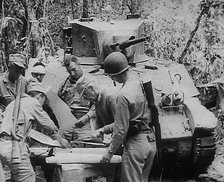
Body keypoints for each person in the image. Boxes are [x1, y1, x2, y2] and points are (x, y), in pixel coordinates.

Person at [101, 52, 157, 182]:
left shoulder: (123, 95)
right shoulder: (142, 84)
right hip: (150, 141)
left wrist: (109, 152)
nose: (112, 80)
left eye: (112, 77)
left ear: (118, 74)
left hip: (135, 145)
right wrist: (105, 129)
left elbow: (121, 129)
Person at [0, 82, 69, 182]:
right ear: (40, 96)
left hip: (2, 144)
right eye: (44, 101)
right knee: (28, 177)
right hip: (14, 147)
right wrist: (60, 140)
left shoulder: (13, 103)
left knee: (15, 178)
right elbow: (48, 125)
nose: (43, 104)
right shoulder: (33, 102)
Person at [58, 55, 95, 140]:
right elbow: (59, 101)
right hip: (67, 121)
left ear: (79, 64)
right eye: (69, 71)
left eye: (74, 69)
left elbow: (98, 104)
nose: (72, 74)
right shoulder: (64, 83)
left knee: (82, 147)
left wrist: (87, 117)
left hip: (84, 122)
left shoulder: (91, 81)